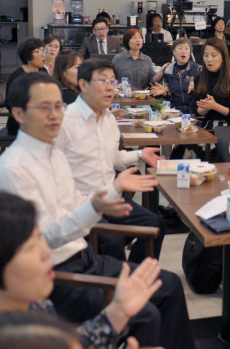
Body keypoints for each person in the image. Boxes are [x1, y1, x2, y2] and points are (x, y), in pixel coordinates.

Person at [0, 72, 194, 348]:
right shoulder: (14, 170)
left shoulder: (52, 153)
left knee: (169, 285)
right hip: (54, 279)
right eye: (44, 107)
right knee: (146, 314)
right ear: (18, 114)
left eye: (58, 106)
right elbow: (42, 239)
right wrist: (96, 205)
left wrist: (109, 193)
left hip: (84, 259)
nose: (55, 115)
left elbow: (75, 205)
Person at [0, 192, 162, 349]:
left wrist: (118, 312)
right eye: (30, 247)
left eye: (40, 238)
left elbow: (69, 342)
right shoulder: (6, 342)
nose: (46, 252)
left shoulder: (17, 302)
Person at [56, 58, 164, 262]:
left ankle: (135, 273)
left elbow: (114, 158)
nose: (110, 88)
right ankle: (117, 278)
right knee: (112, 241)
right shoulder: (65, 122)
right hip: (79, 205)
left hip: (111, 197)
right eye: (103, 81)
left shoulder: (108, 119)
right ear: (83, 84)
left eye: (113, 81)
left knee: (155, 224)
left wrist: (140, 155)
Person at [191, 37, 230, 128]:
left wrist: (215, 106)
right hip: (206, 127)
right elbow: (195, 110)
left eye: (213, 55)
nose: (209, 59)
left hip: (228, 128)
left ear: (223, 58)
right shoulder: (199, 79)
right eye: (206, 55)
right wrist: (205, 108)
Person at [5, 37, 47, 136]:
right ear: (27, 56)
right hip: (21, 122)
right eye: (38, 52)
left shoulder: (43, 71)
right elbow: (10, 103)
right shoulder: (17, 76)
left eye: (43, 51)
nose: (43, 55)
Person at [149, 37, 201, 112]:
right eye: (180, 48)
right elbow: (169, 97)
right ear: (174, 51)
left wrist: (195, 90)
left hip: (195, 112)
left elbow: (204, 94)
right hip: (174, 112)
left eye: (186, 48)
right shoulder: (168, 71)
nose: (183, 51)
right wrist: (164, 93)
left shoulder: (198, 69)